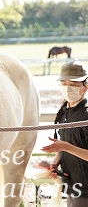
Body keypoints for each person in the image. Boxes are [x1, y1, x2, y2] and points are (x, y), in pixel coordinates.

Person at [41, 60, 88, 206]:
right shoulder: (63, 112)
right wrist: (55, 163)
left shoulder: (86, 115)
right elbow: (63, 145)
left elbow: (66, 146)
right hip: (72, 186)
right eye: (65, 83)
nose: (68, 88)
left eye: (73, 85)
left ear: (85, 86)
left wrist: (65, 147)